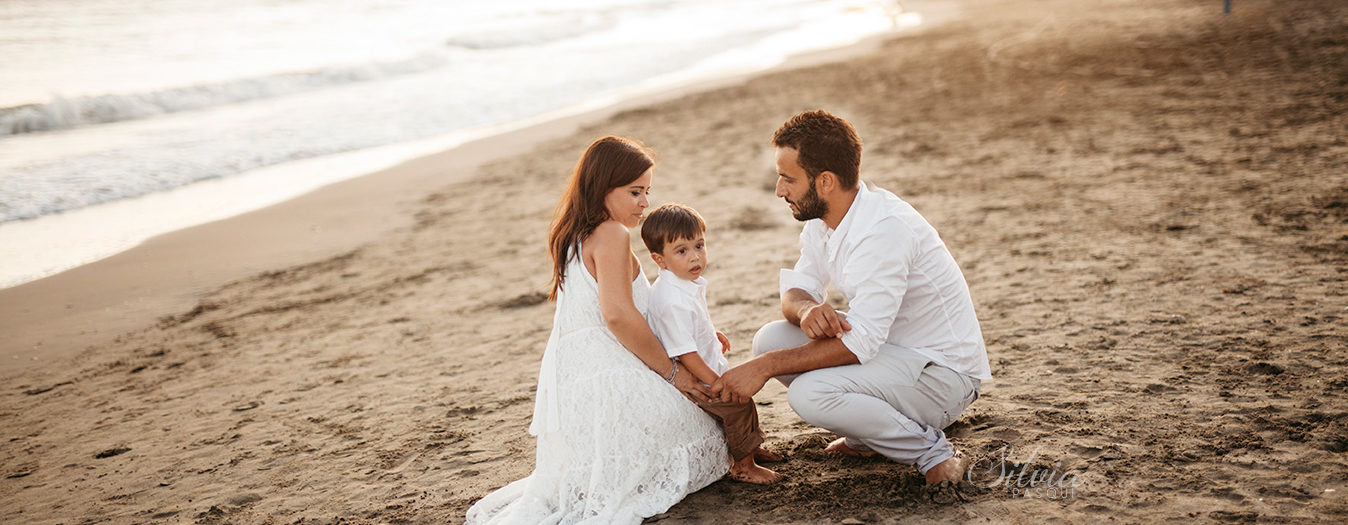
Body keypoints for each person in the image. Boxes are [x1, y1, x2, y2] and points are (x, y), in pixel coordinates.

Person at [711, 110, 992, 485]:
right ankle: (872, 436)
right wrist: (807, 308)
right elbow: (798, 290)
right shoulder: (824, 219)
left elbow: (861, 343)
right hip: (896, 359)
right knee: (770, 339)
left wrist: (765, 368)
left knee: (810, 394)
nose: (780, 190)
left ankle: (934, 452)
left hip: (941, 377)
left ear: (825, 181)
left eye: (787, 179)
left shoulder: (882, 231)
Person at [466, 136, 728, 524]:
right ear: (603, 188)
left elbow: (642, 309)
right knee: (713, 439)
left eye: (647, 192)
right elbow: (619, 316)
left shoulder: (572, 234)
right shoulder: (612, 234)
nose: (645, 203)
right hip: (608, 375)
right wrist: (674, 374)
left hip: (574, 379)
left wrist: (699, 332)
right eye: (635, 192)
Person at [639, 203, 783, 485]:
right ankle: (743, 466)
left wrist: (711, 332)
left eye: (699, 246)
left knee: (744, 401)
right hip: (695, 379)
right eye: (682, 251)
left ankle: (750, 449)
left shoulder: (682, 284)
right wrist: (717, 382)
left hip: (704, 364)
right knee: (738, 405)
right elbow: (684, 352)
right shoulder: (671, 299)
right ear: (660, 260)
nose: (695, 257)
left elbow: (688, 327)